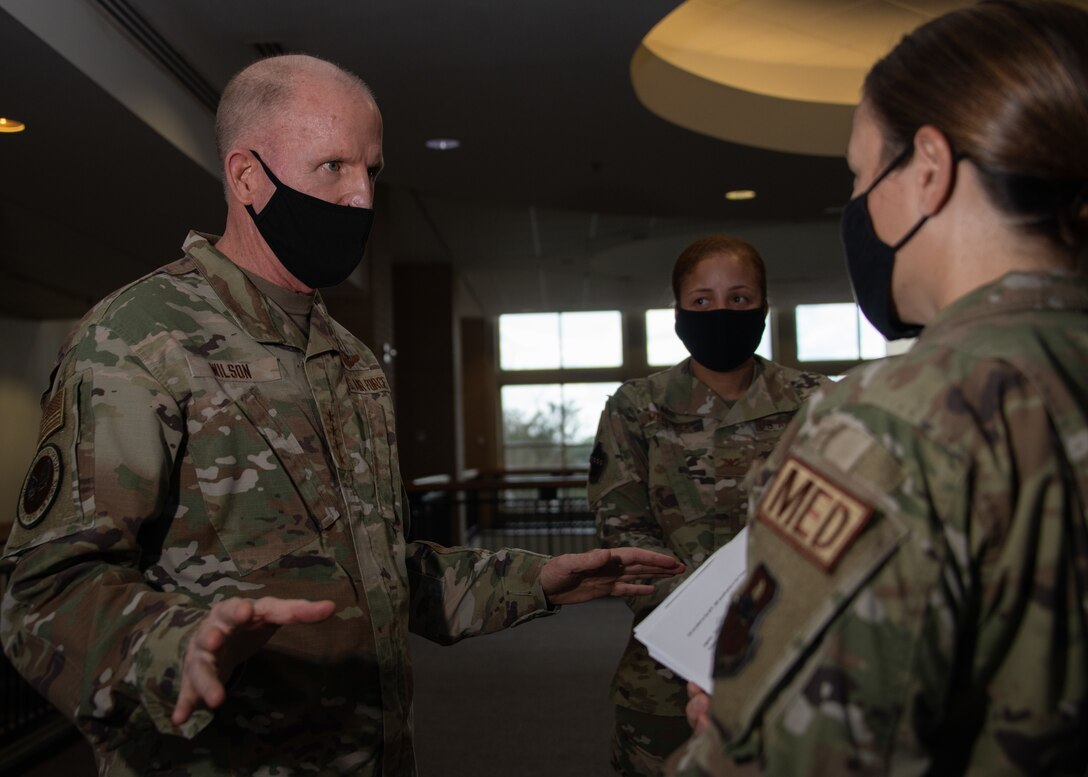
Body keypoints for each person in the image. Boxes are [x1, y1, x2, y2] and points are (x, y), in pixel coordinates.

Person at [0, 54, 684, 776]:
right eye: (332, 165)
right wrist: (176, 643)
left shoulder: (351, 360)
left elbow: (382, 576)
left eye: (372, 170)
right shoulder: (138, 336)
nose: (361, 197)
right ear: (246, 176)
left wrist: (536, 582)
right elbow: (44, 591)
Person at [668, 1, 1088, 774]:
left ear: (927, 168)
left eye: (861, 175)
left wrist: (733, 725)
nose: (857, 208)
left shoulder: (894, 419)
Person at [587, 235, 829, 776]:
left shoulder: (818, 402)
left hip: (791, 657)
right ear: (677, 310)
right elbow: (623, 530)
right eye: (702, 300)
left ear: (765, 307)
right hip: (667, 668)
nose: (721, 311)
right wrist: (711, 622)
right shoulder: (637, 406)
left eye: (740, 298)